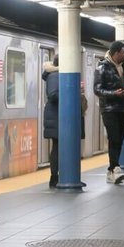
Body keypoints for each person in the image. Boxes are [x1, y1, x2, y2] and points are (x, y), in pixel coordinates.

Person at [41, 55, 87, 188]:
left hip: (60, 115)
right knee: (57, 146)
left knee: (62, 146)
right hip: (57, 116)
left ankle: (65, 175)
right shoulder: (55, 75)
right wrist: (72, 91)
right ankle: (55, 177)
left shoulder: (57, 75)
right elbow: (53, 95)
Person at [93, 40, 124, 184]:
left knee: (121, 138)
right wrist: (113, 93)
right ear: (116, 53)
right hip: (109, 109)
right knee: (114, 137)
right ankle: (114, 168)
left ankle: (112, 169)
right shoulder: (102, 67)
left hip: (123, 108)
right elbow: (97, 89)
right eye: (123, 52)